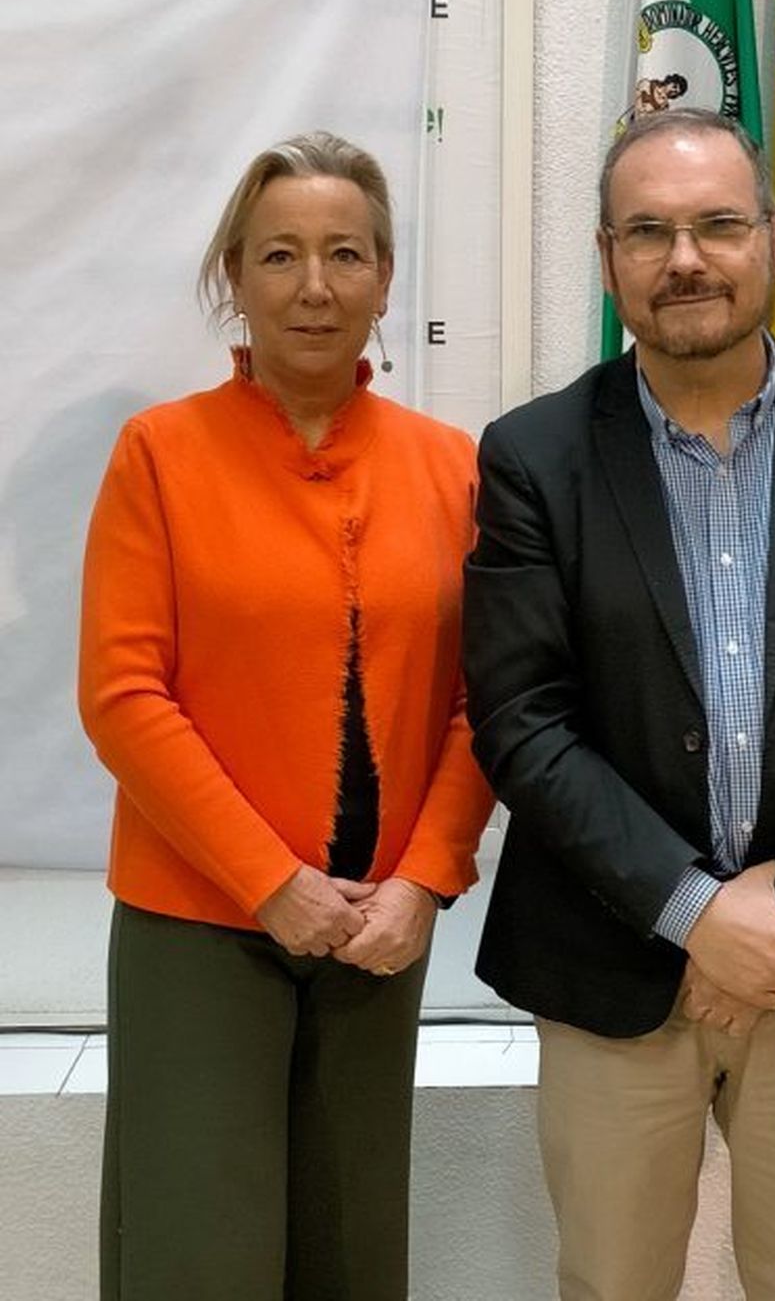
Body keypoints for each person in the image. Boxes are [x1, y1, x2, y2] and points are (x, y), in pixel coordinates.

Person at [463, 107, 775, 1301]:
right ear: (608, 258)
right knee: (611, 1283)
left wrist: (773, 914)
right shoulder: (533, 456)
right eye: (649, 231)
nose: (685, 257)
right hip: (609, 960)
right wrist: (696, 915)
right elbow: (524, 719)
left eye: (717, 225)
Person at [79, 131, 494, 1301]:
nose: (315, 286)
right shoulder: (159, 454)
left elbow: (486, 703)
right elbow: (122, 694)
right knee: (195, 1253)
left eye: (345, 254)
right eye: (280, 255)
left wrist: (422, 879)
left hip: (382, 929)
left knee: (353, 1253)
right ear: (236, 276)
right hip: (198, 924)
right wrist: (270, 881)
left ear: (383, 278)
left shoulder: (450, 467)